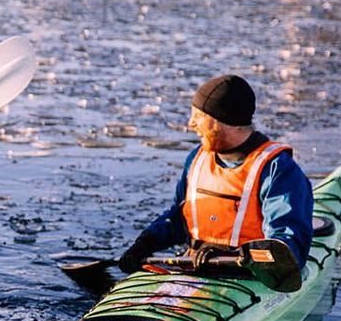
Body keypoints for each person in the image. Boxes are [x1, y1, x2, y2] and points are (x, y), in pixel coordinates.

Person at [116, 74, 313, 286]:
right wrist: (146, 243)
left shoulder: (278, 170)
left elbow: (286, 247)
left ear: (220, 122)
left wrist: (232, 255)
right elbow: (181, 217)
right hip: (196, 269)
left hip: (251, 279)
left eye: (198, 116)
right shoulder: (197, 159)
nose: (191, 124)